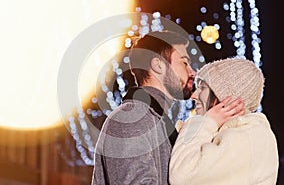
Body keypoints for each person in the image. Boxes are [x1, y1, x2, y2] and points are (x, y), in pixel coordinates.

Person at [92, 31, 244, 184]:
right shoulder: (131, 118)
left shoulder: (157, 120)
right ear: (158, 66)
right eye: (184, 62)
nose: (193, 72)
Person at [169, 58, 279, 185]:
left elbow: (183, 176)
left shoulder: (247, 137)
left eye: (203, 88)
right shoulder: (230, 133)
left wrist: (206, 123)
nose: (194, 95)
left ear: (226, 97)